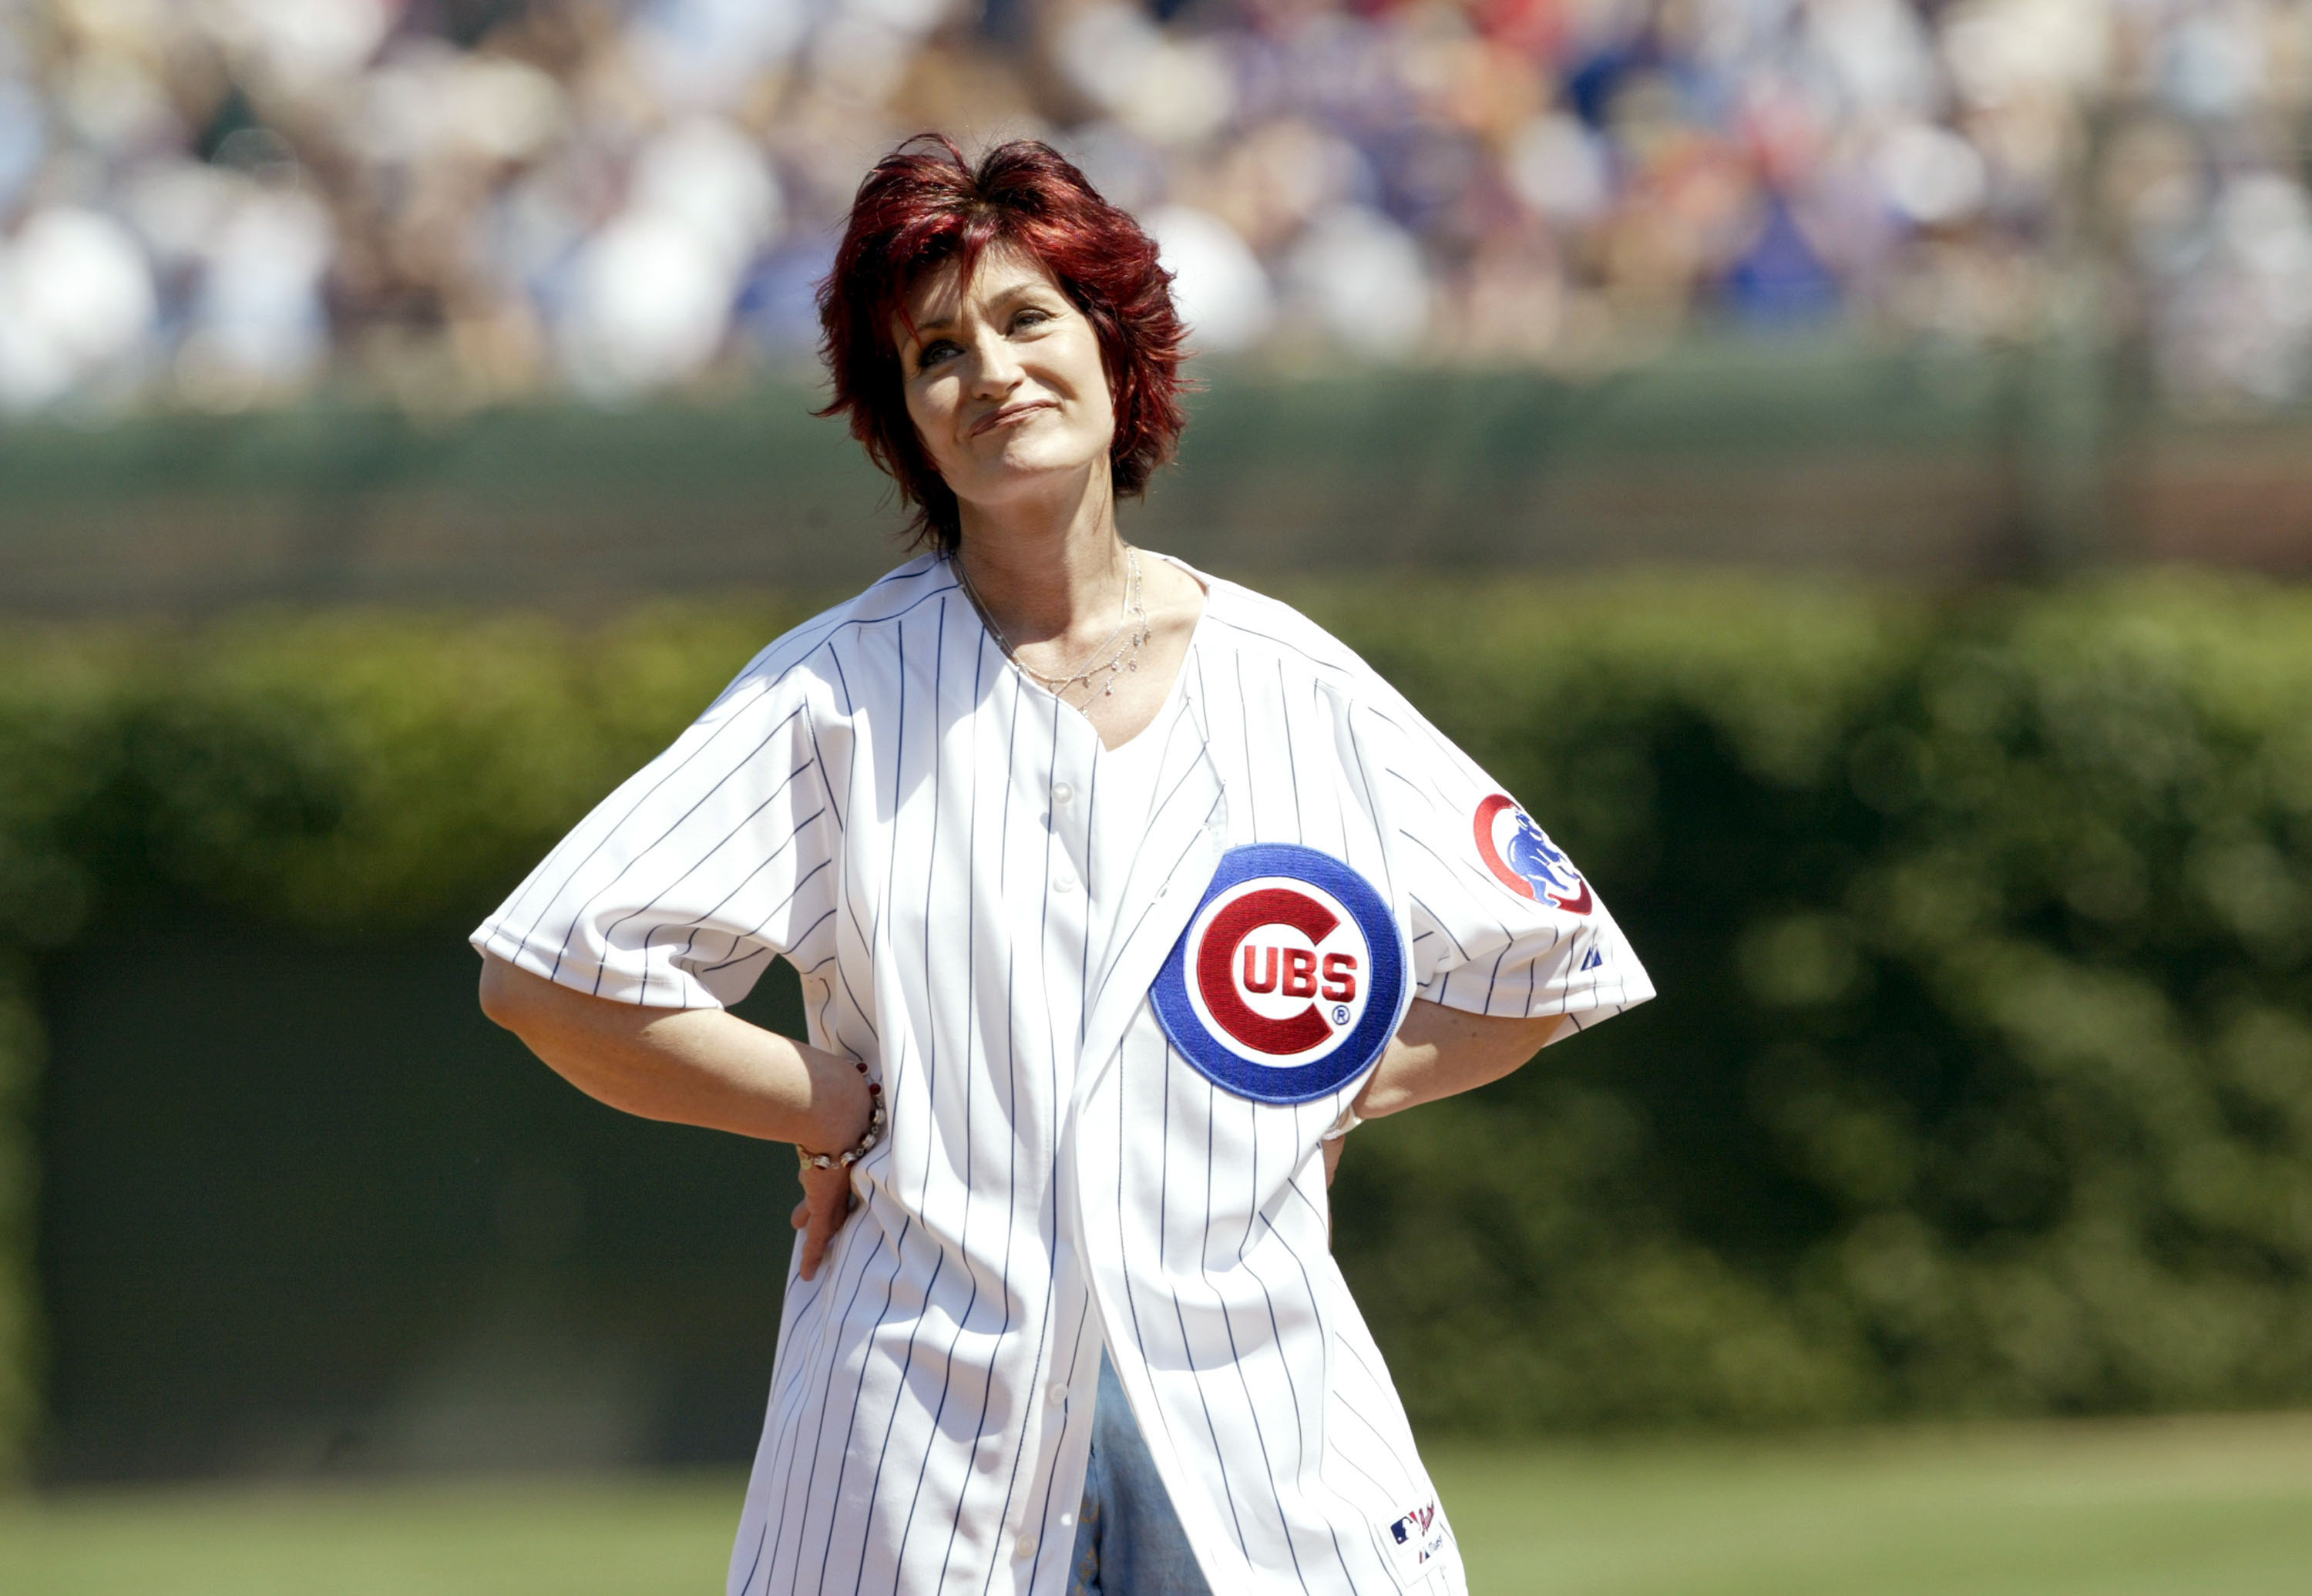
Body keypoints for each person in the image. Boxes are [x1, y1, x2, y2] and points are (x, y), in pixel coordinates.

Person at [474, 135, 1652, 1596]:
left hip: (1258, 1419)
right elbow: (550, 977)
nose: (992, 370)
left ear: (1116, 349)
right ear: (905, 417)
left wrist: (1326, 1088)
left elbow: (1549, 960)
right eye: (936, 352)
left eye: (1029, 317)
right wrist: (829, 1100)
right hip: (923, 1422)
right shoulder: (833, 691)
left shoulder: (1296, 681)